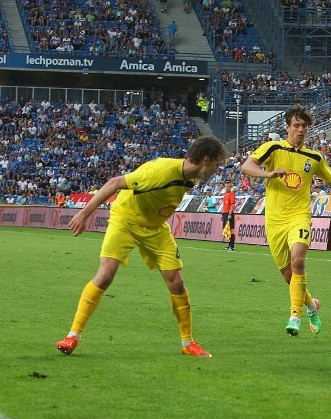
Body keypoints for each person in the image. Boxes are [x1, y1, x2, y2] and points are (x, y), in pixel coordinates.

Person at [55, 136, 228, 358]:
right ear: (205, 160)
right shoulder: (159, 172)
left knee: (176, 282)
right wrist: (84, 214)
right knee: (106, 274)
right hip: (125, 220)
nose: (216, 170)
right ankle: (72, 336)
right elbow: (114, 183)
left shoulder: (191, 178)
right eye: (216, 164)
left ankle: (188, 343)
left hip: (155, 228)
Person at [241, 105, 331, 336]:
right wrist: (268, 174)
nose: (301, 129)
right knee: (288, 276)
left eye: (304, 126)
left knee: (298, 260)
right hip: (274, 220)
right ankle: (312, 304)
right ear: (287, 127)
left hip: (299, 216)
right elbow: (247, 166)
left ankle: (295, 316)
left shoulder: (314, 157)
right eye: (296, 125)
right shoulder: (273, 148)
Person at [221, 180, 237, 251]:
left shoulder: (231, 194)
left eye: (228, 186)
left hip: (229, 213)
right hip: (225, 213)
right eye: (226, 186)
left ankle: (232, 245)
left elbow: (232, 204)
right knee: (227, 229)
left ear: (230, 187)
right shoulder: (225, 194)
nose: (227, 188)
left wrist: (230, 213)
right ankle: (229, 245)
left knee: (231, 230)